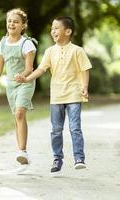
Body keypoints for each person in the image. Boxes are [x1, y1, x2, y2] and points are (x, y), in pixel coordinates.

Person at [15, 16, 92, 174]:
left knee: (75, 128)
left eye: (57, 28)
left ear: (68, 31)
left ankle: (79, 158)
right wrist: (26, 78)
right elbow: (41, 69)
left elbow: (85, 69)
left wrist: (84, 86)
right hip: (56, 96)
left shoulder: (78, 51)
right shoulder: (50, 51)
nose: (53, 31)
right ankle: (57, 158)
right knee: (56, 130)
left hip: (74, 95)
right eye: (52, 28)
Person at [0, 8, 37, 171]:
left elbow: (30, 68)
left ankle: (23, 151)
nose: (11, 24)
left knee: (20, 113)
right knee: (17, 117)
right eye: (9, 21)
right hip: (11, 85)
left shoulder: (27, 43)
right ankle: (22, 154)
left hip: (26, 82)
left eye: (16, 21)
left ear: (23, 26)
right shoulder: (3, 43)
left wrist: (22, 76)